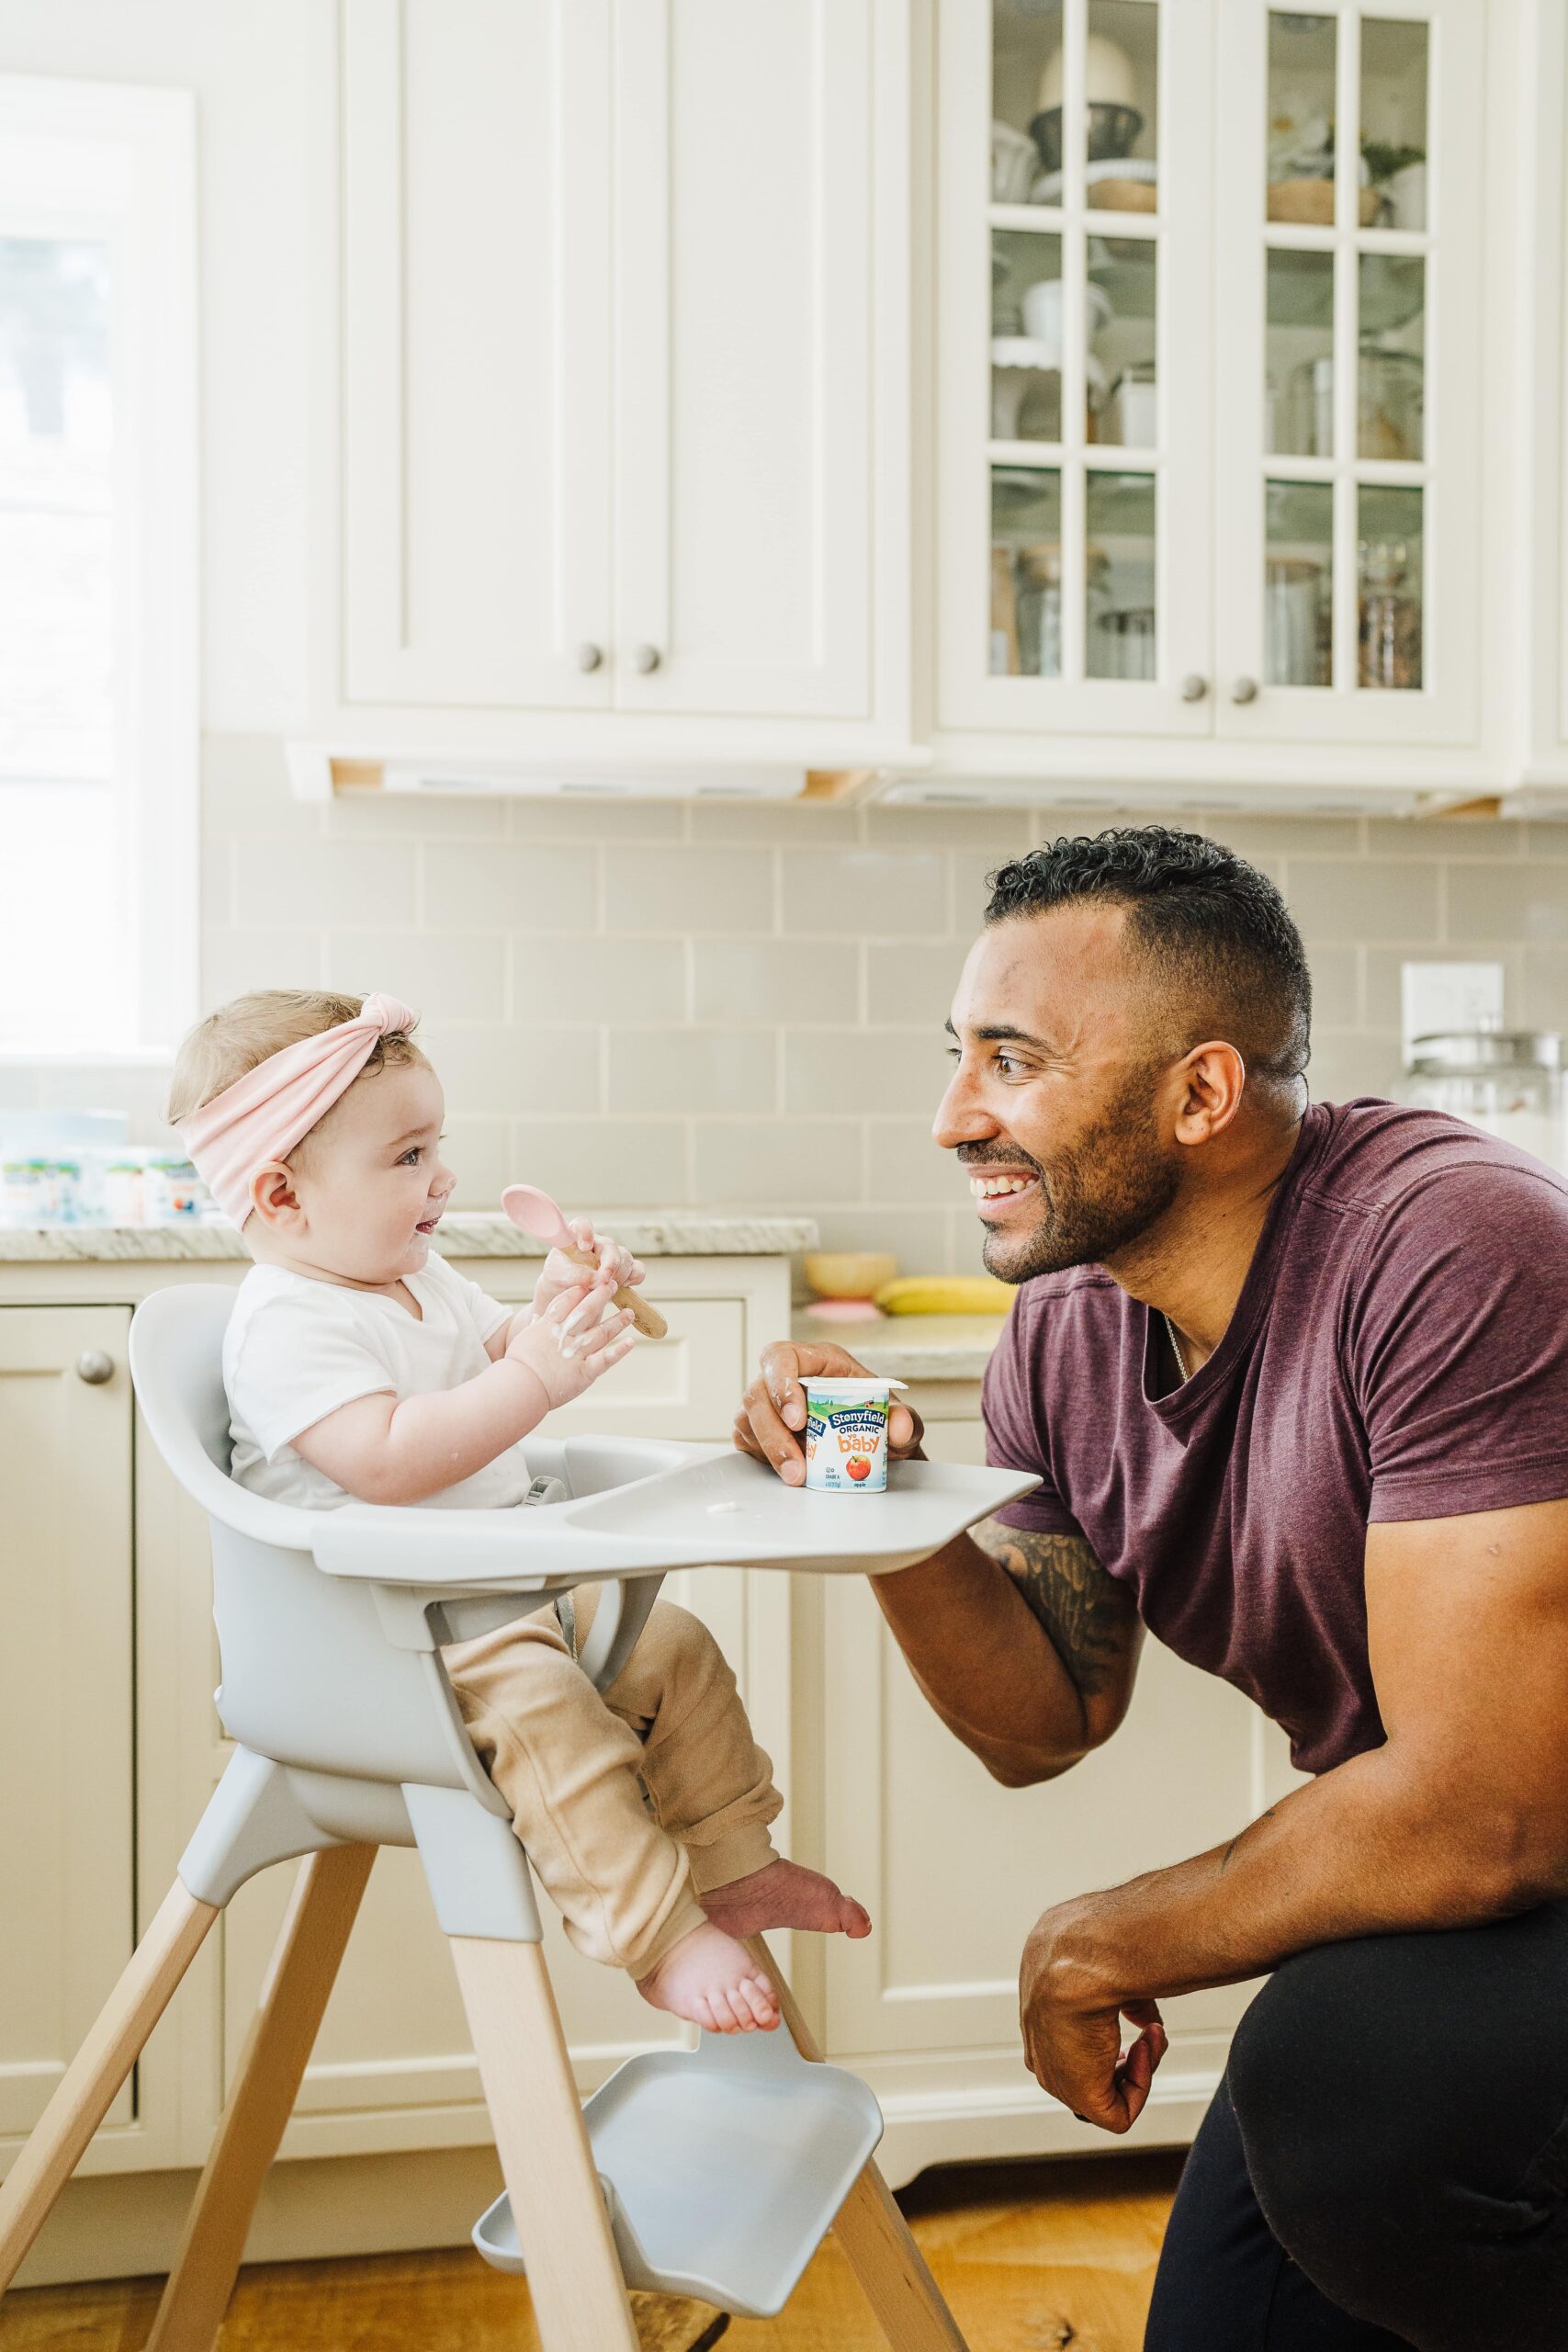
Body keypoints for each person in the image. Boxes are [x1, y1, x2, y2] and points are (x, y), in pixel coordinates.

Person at [735, 827, 1568, 2351]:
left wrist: (1099, 1940)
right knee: (1230, 2317)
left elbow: (1488, 1809)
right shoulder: (1065, 1330)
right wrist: (884, 1501)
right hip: (1493, 1891)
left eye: (1012, 1061)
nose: (950, 1118)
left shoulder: (1451, 1247)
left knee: (1349, 2081)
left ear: (1200, 1094)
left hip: (1528, 1852)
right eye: (956, 1056)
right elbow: (1041, 1717)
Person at [170, 987, 869, 2040]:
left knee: (674, 1650)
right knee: (548, 1708)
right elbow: (390, 1460)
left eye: (435, 1145)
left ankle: (735, 1869)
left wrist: (559, 1309)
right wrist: (537, 1379)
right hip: (378, 1639)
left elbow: (494, 1358)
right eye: (407, 1157)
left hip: (482, 1603)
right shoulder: (287, 1323)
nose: (442, 1176)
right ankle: (657, 1936)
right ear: (281, 1195)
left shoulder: (416, 1274)